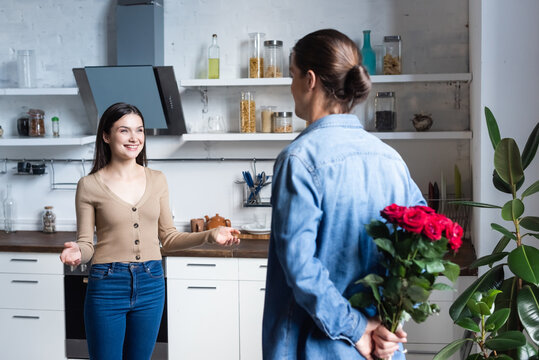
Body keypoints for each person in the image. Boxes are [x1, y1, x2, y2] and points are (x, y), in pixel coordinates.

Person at [262, 29, 426, 360]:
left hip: (317, 346)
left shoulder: (299, 159)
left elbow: (301, 266)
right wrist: (388, 326)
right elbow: (425, 249)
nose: (291, 86)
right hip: (382, 348)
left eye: (292, 76)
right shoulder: (390, 158)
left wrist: (357, 329)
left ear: (309, 80)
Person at [60, 102, 240, 360]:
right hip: (107, 285)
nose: (134, 138)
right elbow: (87, 244)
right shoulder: (89, 185)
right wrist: (78, 250)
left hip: (151, 282)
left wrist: (210, 236)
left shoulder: (157, 179)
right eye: (124, 131)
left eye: (140, 130)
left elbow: (168, 239)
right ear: (106, 136)